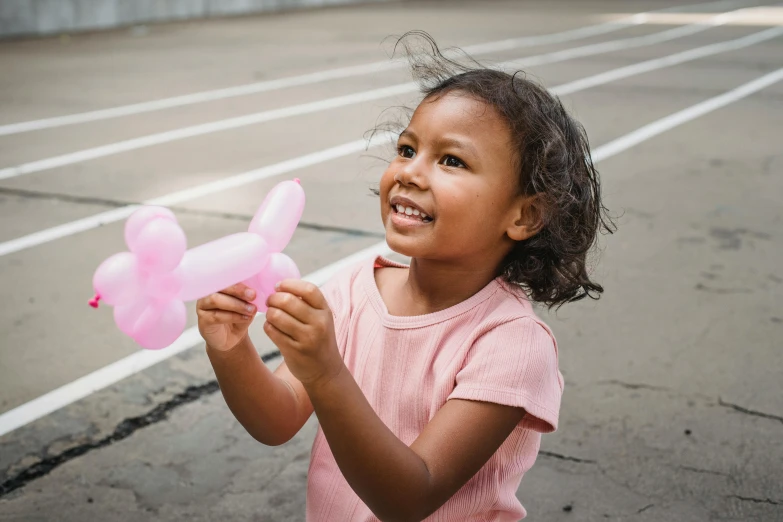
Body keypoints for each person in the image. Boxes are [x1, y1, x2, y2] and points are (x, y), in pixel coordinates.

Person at [197, 32, 612, 522]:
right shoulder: (355, 289)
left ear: (524, 216)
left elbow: (410, 497)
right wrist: (229, 348)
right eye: (407, 148)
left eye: (451, 160)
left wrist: (327, 372)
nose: (410, 172)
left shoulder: (513, 344)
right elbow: (277, 419)